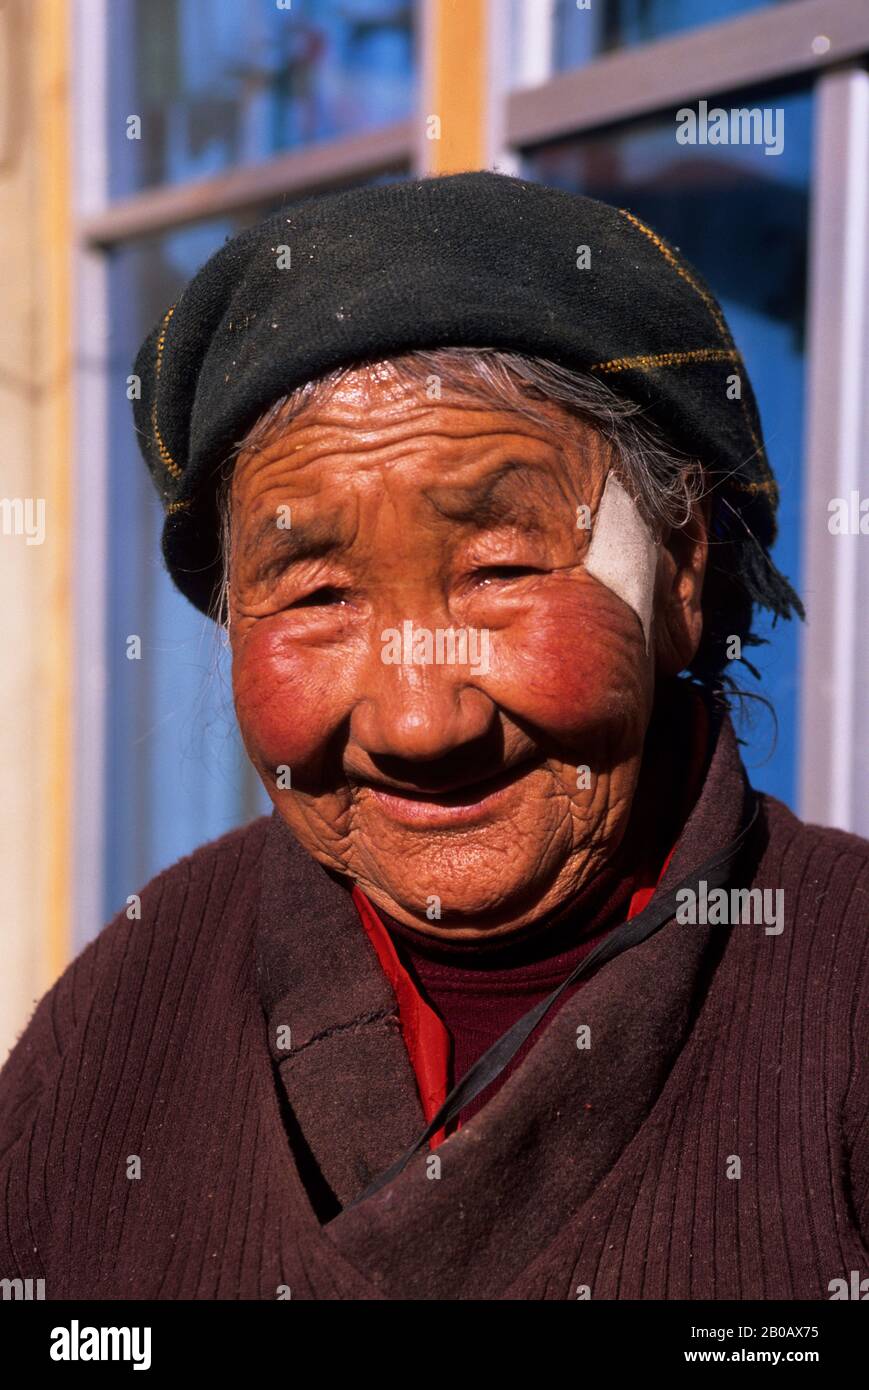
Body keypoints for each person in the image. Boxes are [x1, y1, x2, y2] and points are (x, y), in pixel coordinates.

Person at [1, 170, 867, 1301]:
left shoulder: (840, 991)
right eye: (314, 594)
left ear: (680, 573)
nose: (418, 722)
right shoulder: (135, 994)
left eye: (499, 570)